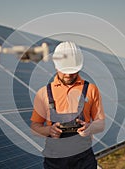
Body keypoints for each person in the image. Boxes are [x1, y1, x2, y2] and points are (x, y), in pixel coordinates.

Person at [30, 41, 105, 169]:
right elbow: (35, 127)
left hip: (84, 161)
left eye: (73, 70)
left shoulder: (91, 89)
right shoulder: (43, 93)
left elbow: (101, 124)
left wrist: (89, 128)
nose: (69, 75)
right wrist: (49, 130)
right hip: (54, 162)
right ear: (56, 65)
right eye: (65, 70)